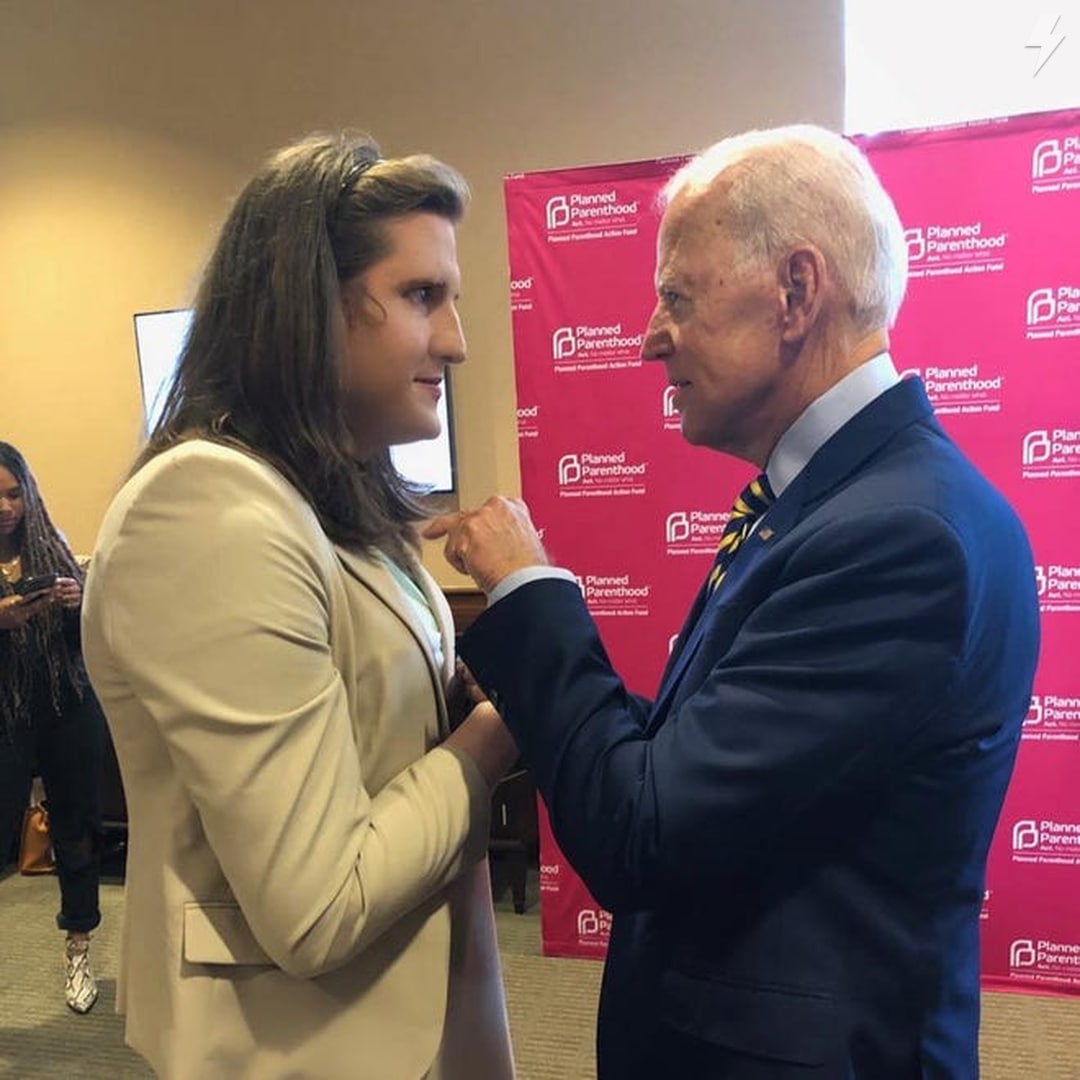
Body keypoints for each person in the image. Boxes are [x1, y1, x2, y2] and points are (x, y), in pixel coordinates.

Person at [426, 124, 1040, 1079]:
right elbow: (726, 770)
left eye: (678, 296)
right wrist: (531, 712)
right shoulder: (847, 501)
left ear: (796, 291)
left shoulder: (897, 535)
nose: (648, 338)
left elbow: (643, 832)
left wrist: (526, 586)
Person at [81, 133, 519, 1080]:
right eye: (422, 295)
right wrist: (492, 738)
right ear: (306, 305)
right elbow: (318, 906)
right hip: (298, 1046)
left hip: (413, 1019)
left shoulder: (331, 497)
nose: (456, 340)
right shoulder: (205, 508)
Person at [0, 441, 105, 1015]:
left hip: (67, 709)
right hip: (5, 716)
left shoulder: (55, 549)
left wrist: (75, 602)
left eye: (14, 494)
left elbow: (93, 640)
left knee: (77, 832)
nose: (6, 507)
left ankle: (79, 949)